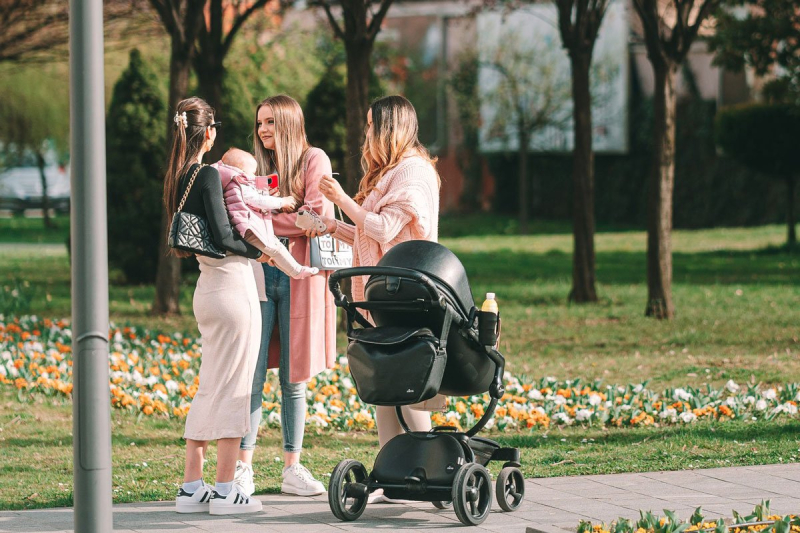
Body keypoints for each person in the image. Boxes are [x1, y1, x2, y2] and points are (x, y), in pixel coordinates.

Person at [308, 95, 444, 501]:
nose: (366, 133)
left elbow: (384, 229)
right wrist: (329, 225)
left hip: (409, 293)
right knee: (385, 380)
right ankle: (392, 472)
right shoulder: (393, 173)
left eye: (371, 125)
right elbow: (370, 234)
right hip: (385, 293)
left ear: (389, 128)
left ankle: (432, 468)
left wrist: (341, 200)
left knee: (409, 385)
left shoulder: (413, 173)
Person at [164, 97, 264, 515]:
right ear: (209, 133)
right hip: (231, 288)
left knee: (211, 385)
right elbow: (225, 236)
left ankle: (192, 488)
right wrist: (262, 252)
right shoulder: (206, 174)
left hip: (206, 289)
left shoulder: (176, 175)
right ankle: (225, 491)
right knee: (235, 388)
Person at [235, 95, 336, 497]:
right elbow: (241, 213)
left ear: (290, 122)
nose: (262, 130)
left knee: (294, 378)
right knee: (252, 374)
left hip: (300, 279)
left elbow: (315, 218)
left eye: (271, 122)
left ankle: (292, 468)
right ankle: (244, 467)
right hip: (259, 277)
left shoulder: (314, 160)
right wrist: (285, 215)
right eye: (259, 123)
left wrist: (266, 217)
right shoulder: (255, 166)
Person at [213, 148, 318, 279]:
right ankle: (297, 272)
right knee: (275, 248)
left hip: (244, 226)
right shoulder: (239, 183)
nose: (254, 176)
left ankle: (294, 270)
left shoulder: (229, 181)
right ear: (240, 171)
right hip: (249, 227)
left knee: (274, 249)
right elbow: (257, 201)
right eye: (252, 172)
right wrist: (282, 202)